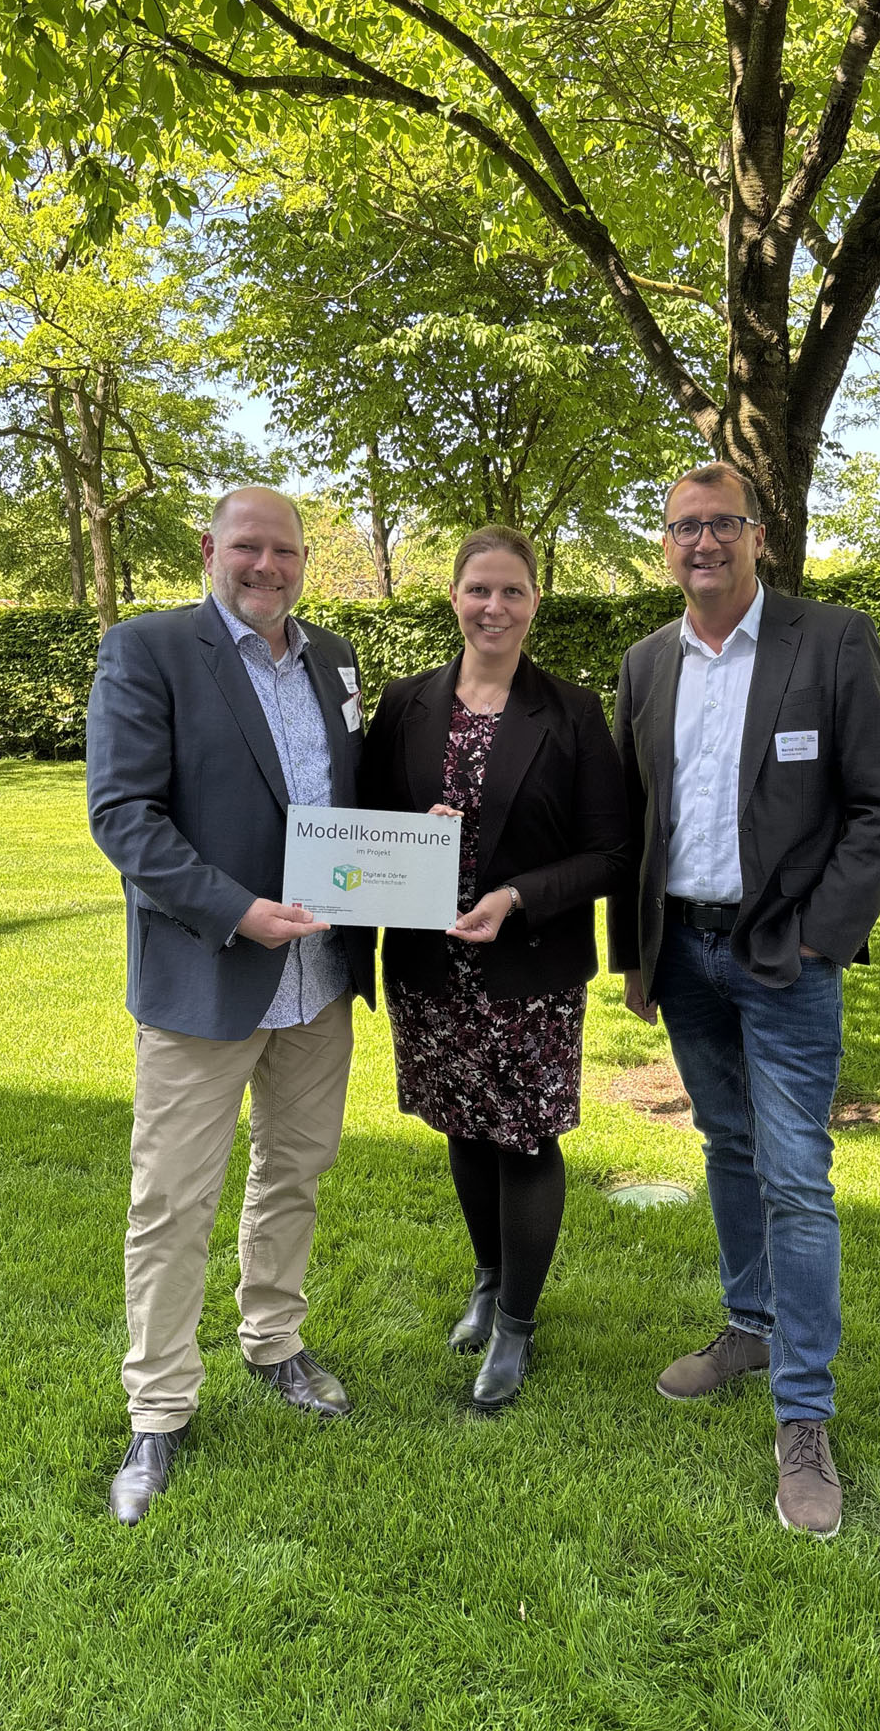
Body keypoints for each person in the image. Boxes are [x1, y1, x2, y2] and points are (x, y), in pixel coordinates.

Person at [608, 463, 880, 1538]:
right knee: (726, 1146)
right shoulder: (646, 662)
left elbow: (877, 807)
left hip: (786, 955)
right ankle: (748, 1326)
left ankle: (804, 1416)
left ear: (758, 535)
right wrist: (635, 955)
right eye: (685, 526)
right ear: (666, 544)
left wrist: (823, 934)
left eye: (723, 524)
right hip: (683, 952)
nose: (704, 543)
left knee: (795, 1176)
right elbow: (631, 822)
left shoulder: (831, 641)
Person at [87, 485, 374, 1526]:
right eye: (248, 547)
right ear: (210, 548)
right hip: (207, 978)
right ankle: (158, 1407)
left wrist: (417, 834)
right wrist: (237, 911)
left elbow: (347, 799)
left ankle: (274, 1341)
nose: (267, 566)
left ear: (304, 561)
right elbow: (124, 815)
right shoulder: (150, 649)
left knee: (294, 1172)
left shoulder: (333, 657)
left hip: (319, 980)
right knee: (173, 1201)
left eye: (285, 551)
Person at [361, 526, 628, 1411]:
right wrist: (411, 832)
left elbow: (611, 852)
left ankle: (516, 1321)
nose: (494, 607)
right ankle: (487, 1277)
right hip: (429, 964)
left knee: (526, 1134)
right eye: (479, 589)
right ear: (453, 597)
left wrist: (516, 896)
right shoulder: (405, 703)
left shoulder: (572, 711)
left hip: (529, 969)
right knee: (462, 1124)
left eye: (513, 591)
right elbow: (364, 820)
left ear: (535, 602)